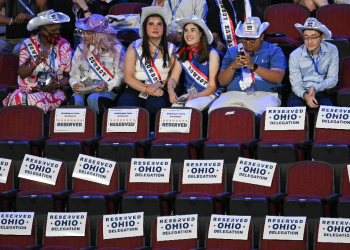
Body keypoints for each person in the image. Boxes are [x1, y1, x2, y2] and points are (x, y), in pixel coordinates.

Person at [209, 17, 286, 115]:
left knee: (261, 114)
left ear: (261, 36)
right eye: (245, 38)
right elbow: (223, 82)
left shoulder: (274, 50)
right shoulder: (232, 51)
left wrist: (254, 66)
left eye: (253, 39)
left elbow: (278, 77)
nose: (248, 42)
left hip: (264, 94)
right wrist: (232, 67)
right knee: (214, 112)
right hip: (233, 94)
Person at [2, 9, 72, 113]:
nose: (57, 33)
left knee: (39, 103)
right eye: (54, 31)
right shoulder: (28, 44)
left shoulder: (64, 45)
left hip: (53, 92)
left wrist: (55, 85)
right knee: (17, 99)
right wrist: (35, 62)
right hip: (28, 90)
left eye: (59, 29)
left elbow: (68, 77)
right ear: (43, 30)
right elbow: (22, 73)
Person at [117, 6, 176, 128]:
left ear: (164, 28)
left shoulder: (171, 48)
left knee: (156, 107)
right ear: (145, 27)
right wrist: (147, 89)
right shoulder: (134, 46)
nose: (155, 27)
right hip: (136, 87)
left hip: (161, 88)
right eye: (151, 24)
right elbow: (128, 77)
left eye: (159, 24)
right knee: (126, 107)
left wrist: (158, 85)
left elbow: (175, 78)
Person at [69, 14, 124, 115]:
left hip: (107, 89)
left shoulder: (117, 50)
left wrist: (107, 84)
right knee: (76, 99)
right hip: (84, 86)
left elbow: (120, 77)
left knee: (93, 98)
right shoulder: (80, 49)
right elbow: (73, 75)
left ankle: (97, 129)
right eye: (85, 32)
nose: (85, 36)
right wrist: (74, 84)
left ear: (100, 34)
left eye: (89, 33)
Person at [168, 15, 220, 111]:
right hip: (188, 95)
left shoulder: (212, 53)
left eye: (192, 30)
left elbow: (212, 87)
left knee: (190, 106)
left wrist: (196, 96)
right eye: (186, 30)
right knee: (174, 108)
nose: (188, 34)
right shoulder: (182, 53)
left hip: (208, 94)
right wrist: (171, 90)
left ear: (201, 33)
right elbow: (173, 79)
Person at [287, 18, 338, 109]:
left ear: (322, 37)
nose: (309, 42)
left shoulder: (332, 50)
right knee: (294, 109)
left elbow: (332, 79)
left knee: (327, 110)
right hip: (300, 92)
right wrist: (306, 96)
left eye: (314, 37)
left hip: (322, 90)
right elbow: (296, 85)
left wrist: (315, 87)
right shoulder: (294, 55)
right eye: (306, 38)